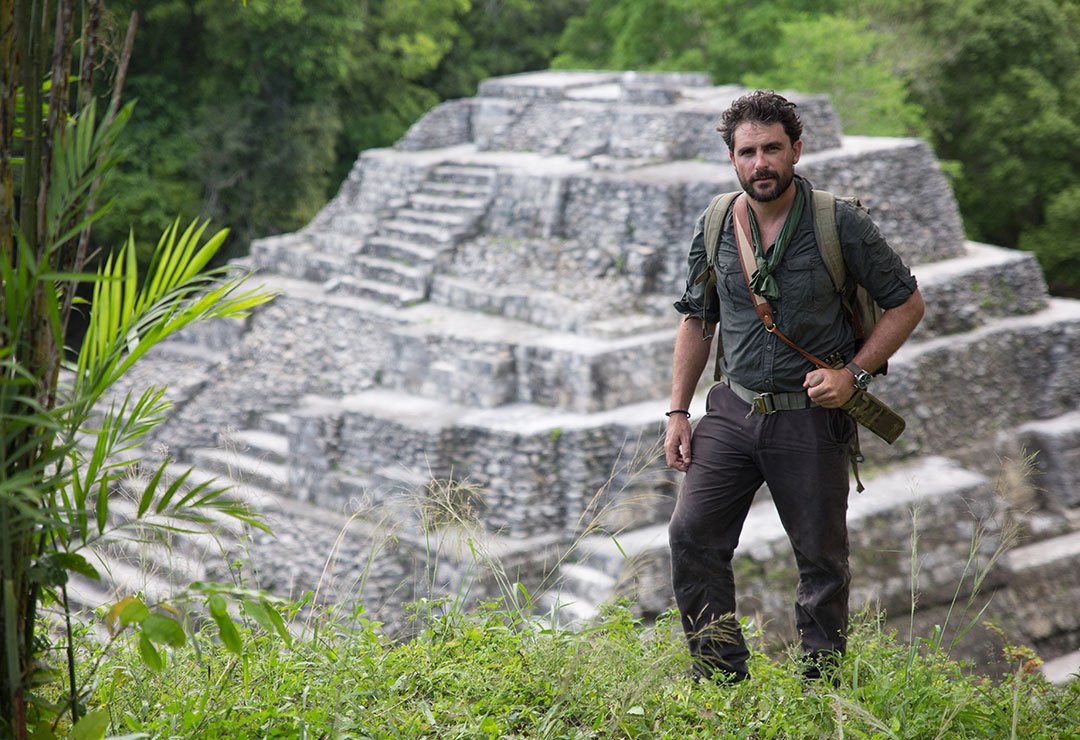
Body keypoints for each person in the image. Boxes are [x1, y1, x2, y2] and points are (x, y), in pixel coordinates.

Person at [664, 90, 925, 683]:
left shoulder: (840, 223)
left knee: (820, 562)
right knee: (691, 537)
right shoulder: (714, 223)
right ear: (732, 159)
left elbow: (907, 303)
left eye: (772, 149)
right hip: (732, 409)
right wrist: (678, 411)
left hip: (810, 416)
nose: (761, 163)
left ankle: (820, 691)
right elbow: (696, 319)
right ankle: (720, 683)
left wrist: (852, 374)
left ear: (797, 150)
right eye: (748, 151)